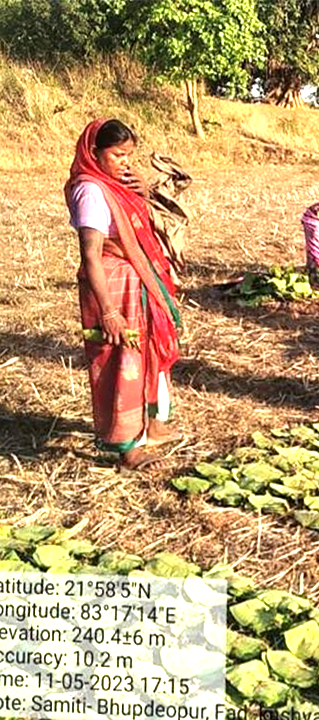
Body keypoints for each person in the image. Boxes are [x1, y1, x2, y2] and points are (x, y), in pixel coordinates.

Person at [66, 119, 182, 469]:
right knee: (123, 363)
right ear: (93, 152)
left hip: (138, 283)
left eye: (129, 155)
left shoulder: (116, 186)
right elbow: (91, 255)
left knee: (149, 353)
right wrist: (108, 313)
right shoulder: (91, 191)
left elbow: (137, 225)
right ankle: (127, 447)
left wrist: (142, 193)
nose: (125, 162)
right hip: (114, 289)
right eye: (118, 155)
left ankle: (154, 424)